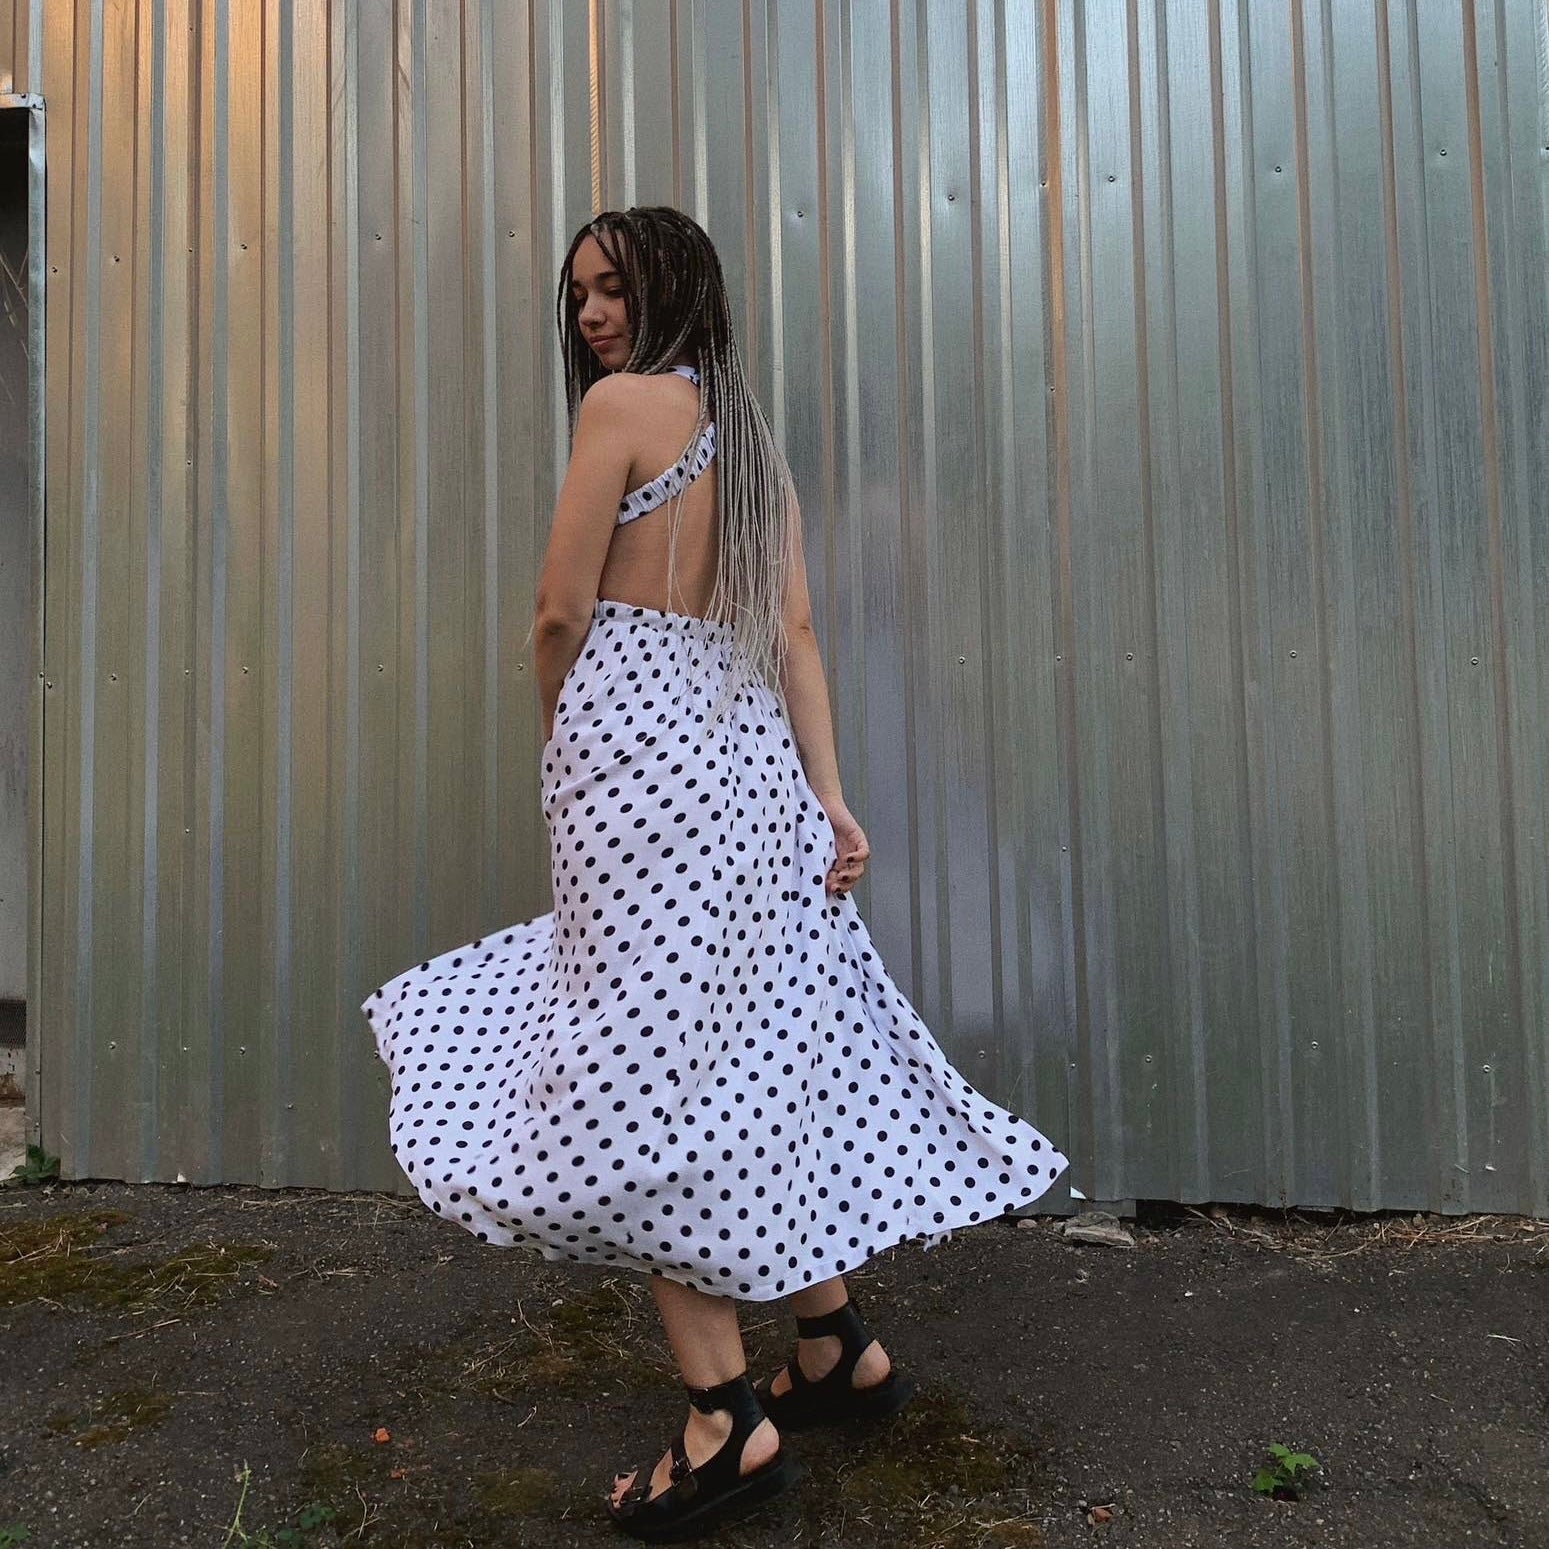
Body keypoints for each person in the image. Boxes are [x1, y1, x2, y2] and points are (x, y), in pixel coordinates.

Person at [361, 204, 1070, 1542]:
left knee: (633, 1080)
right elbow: (793, 623)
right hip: (744, 767)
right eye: (576, 294)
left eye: (613, 289)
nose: (589, 316)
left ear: (671, 288)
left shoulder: (621, 411)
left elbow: (559, 606)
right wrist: (829, 794)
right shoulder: (741, 431)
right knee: (747, 1059)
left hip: (641, 769)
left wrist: (558, 736)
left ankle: (720, 1417)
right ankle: (833, 1346)